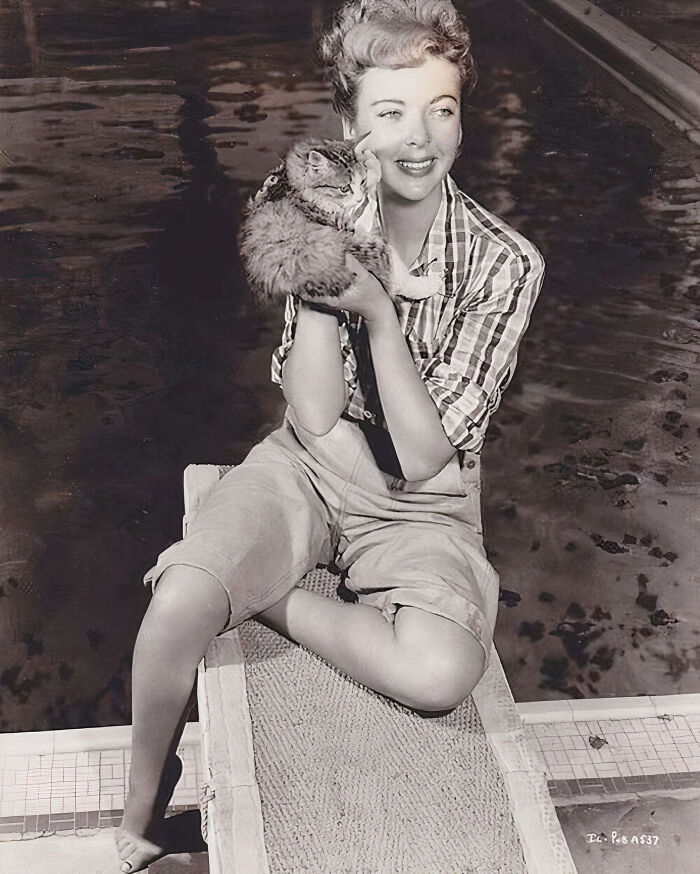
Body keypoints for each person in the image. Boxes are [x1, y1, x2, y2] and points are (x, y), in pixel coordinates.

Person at [115, 0, 545, 870]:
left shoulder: (507, 263)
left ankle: (269, 598)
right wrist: (329, 262)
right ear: (351, 125)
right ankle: (138, 818)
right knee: (177, 608)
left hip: (424, 505)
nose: (420, 137)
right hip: (310, 465)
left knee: (438, 674)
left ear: (464, 111)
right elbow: (312, 416)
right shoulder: (317, 211)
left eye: (443, 107)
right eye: (390, 113)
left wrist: (382, 320)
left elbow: (427, 458)